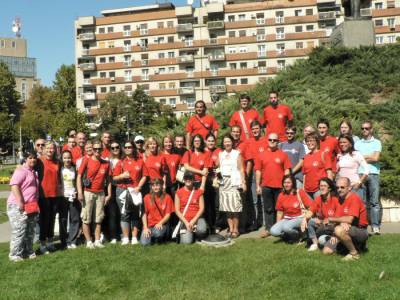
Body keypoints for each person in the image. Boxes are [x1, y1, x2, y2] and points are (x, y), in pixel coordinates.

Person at [322, 177, 369, 261]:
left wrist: (331, 219)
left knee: (339, 230)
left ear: (349, 188)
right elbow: (339, 219)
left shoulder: (354, 198)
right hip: (345, 229)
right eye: (337, 187)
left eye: (342, 187)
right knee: (326, 251)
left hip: (360, 230)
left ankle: (354, 254)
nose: (339, 189)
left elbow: (349, 219)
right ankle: (356, 246)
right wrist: (335, 232)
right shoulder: (339, 200)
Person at [255, 133, 291, 238]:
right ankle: (268, 229)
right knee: (268, 209)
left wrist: (287, 185)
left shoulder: (283, 154)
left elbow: (287, 170)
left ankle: (279, 229)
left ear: (278, 142)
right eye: (270, 140)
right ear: (267, 141)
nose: (272, 142)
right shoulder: (261, 155)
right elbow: (258, 171)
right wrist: (258, 185)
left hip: (280, 187)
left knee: (280, 209)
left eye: (274, 140)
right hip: (266, 186)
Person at [77, 141, 112, 249]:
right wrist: (80, 192)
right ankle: (88, 242)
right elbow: (79, 176)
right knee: (86, 218)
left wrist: (109, 194)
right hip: (88, 192)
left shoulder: (106, 163)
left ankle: (97, 240)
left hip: (100, 193)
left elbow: (109, 180)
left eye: (99, 149)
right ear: (92, 149)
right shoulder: (86, 160)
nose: (97, 151)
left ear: (102, 150)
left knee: (98, 219)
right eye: (95, 149)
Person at [113, 141, 148, 245]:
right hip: (122, 190)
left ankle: (134, 238)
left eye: (130, 147)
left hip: (135, 190)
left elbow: (145, 176)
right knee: (124, 214)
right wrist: (122, 176)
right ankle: (125, 238)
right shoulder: (121, 162)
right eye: (126, 147)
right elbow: (114, 178)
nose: (128, 149)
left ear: (133, 148)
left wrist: (139, 186)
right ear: (124, 149)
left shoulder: (140, 161)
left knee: (135, 214)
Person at [7, 151, 39, 262]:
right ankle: (15, 254)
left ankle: (28, 251)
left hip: (31, 206)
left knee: (30, 231)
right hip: (18, 206)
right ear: (25, 159)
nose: (33, 160)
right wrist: (20, 202)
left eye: (34, 158)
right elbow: (14, 185)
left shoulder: (33, 172)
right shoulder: (21, 170)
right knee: (19, 230)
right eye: (30, 158)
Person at [37, 141, 65, 254]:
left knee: (52, 220)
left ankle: (50, 242)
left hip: (55, 195)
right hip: (43, 195)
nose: (50, 150)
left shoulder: (58, 162)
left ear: (55, 150)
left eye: (52, 148)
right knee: (44, 220)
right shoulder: (39, 161)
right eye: (48, 148)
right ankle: (42, 244)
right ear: (44, 149)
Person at [355, 121, 382, 235]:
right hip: (360, 174)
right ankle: (363, 225)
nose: (364, 130)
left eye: (367, 128)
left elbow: (376, 158)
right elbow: (357, 158)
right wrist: (368, 156)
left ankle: (375, 226)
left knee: (374, 202)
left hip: (374, 174)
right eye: (363, 128)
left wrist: (363, 157)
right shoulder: (357, 143)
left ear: (371, 129)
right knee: (362, 202)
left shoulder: (377, 142)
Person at [217, 135, 246, 238]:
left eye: (229, 141)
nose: (227, 143)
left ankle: (236, 229)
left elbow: (241, 169)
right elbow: (217, 168)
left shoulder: (237, 153)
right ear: (223, 143)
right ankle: (230, 228)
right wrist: (217, 178)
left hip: (234, 182)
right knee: (227, 208)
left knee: (235, 207)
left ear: (232, 142)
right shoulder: (220, 154)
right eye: (225, 142)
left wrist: (243, 182)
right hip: (223, 183)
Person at [270, 175, 312, 242]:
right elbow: (279, 212)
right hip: (287, 218)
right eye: (284, 182)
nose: (286, 185)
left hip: (300, 217)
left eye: (288, 182)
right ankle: (289, 236)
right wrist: (278, 224)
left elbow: (311, 207)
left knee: (286, 227)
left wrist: (306, 219)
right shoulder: (281, 195)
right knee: (273, 231)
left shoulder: (299, 192)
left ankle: (300, 235)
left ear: (293, 183)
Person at [305, 178, 340, 251]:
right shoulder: (318, 199)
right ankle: (315, 244)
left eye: (324, 186)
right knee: (310, 221)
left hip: (334, 227)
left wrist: (322, 222)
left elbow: (338, 220)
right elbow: (310, 211)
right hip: (323, 226)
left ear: (329, 188)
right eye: (321, 186)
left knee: (321, 239)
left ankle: (338, 241)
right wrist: (304, 219)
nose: (322, 188)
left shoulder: (335, 200)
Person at [174, 171, 207, 244]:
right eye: (186, 178)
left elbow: (202, 208)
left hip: (197, 218)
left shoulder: (199, 191)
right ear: (184, 179)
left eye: (190, 178)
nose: (188, 180)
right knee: (186, 242)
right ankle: (191, 234)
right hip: (185, 219)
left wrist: (193, 221)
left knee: (202, 230)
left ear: (193, 180)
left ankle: (197, 236)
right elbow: (177, 210)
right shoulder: (178, 192)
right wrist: (186, 222)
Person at [246, 120, 267, 230]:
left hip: (265, 173)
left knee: (263, 199)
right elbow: (249, 160)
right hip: (254, 174)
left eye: (256, 129)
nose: (255, 131)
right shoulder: (249, 142)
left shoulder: (266, 140)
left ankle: (264, 222)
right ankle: (255, 221)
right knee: (254, 200)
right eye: (253, 129)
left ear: (260, 129)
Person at [141, 178, 175, 245]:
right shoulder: (147, 197)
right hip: (149, 225)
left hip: (161, 224)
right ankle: (152, 238)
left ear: (161, 185)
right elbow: (144, 213)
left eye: (157, 185)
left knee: (158, 233)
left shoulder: (167, 197)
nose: (155, 187)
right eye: (153, 185)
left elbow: (168, 214)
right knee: (144, 243)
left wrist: (160, 223)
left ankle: (158, 238)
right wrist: (145, 227)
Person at [337, 134, 369, 200]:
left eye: (344, 142)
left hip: (354, 188)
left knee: (357, 209)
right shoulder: (339, 155)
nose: (342, 144)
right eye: (340, 142)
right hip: (343, 189)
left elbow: (367, 169)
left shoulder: (356, 154)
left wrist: (359, 183)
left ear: (350, 143)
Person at [302, 132, 333, 199]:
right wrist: (303, 189)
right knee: (310, 209)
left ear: (317, 141)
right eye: (307, 141)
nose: (309, 143)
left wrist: (330, 188)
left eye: (311, 141)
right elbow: (304, 174)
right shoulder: (306, 157)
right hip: (307, 191)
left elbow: (329, 173)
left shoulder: (323, 154)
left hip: (319, 190)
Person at [102, 141, 122, 244]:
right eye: (112, 148)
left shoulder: (123, 160)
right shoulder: (106, 161)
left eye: (117, 147)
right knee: (107, 213)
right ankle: (107, 234)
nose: (115, 149)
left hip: (119, 188)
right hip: (108, 188)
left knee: (116, 213)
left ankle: (115, 234)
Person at [60, 150, 79, 249]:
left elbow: (78, 182)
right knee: (63, 219)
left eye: (69, 158)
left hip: (73, 197)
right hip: (63, 197)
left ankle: (72, 241)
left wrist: (77, 192)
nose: (67, 160)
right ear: (62, 159)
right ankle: (64, 241)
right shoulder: (60, 169)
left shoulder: (75, 169)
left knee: (74, 219)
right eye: (65, 158)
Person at [204, 133, 221, 233]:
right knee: (207, 204)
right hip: (205, 181)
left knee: (216, 204)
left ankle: (216, 224)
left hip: (216, 181)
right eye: (209, 141)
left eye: (212, 141)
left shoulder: (218, 151)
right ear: (206, 141)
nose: (211, 142)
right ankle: (207, 225)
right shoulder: (202, 151)